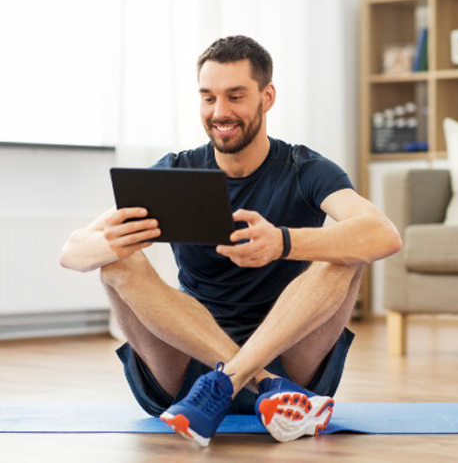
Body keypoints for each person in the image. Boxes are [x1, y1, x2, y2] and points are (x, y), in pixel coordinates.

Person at [61, 35, 402, 446]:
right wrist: (113, 243)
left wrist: (282, 242)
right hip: (192, 367)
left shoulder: (305, 168)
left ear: (267, 96)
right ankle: (259, 383)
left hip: (292, 356)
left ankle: (232, 381)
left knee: (348, 249)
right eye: (208, 98)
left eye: (235, 96)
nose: (220, 112)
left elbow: (384, 234)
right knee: (117, 259)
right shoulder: (176, 171)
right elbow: (72, 252)